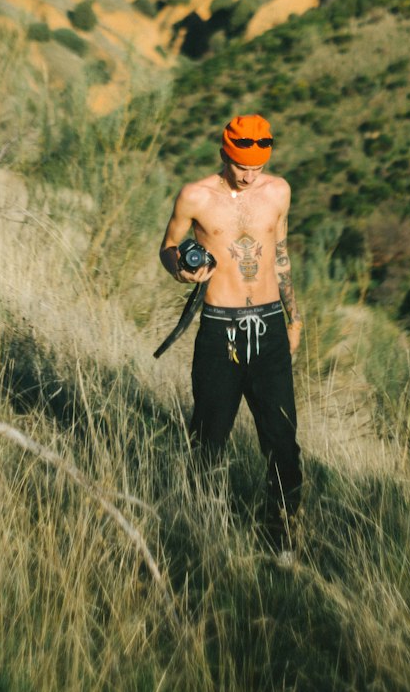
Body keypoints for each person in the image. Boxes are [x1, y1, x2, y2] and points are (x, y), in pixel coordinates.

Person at [159, 113, 303, 557]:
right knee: (208, 438)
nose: (248, 174)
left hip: (269, 326)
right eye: (242, 166)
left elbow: (279, 252)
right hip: (219, 329)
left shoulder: (278, 191)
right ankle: (199, 534)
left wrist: (294, 317)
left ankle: (279, 540)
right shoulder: (195, 196)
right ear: (225, 154)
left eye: (257, 166)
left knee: (281, 440)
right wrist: (182, 269)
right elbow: (168, 247)